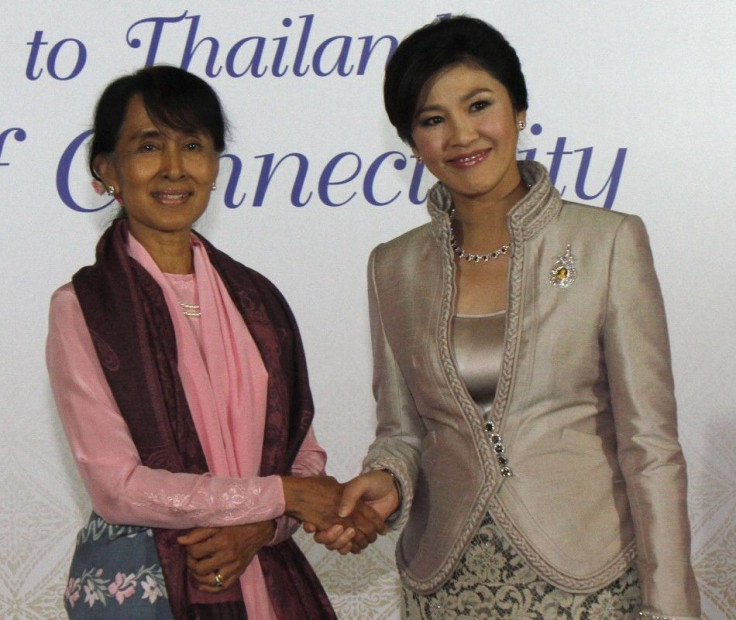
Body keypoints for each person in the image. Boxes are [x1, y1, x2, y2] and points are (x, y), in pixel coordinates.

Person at [312, 15, 702, 619]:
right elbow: (403, 430)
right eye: (433, 119)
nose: (462, 135)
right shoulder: (392, 267)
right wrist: (387, 479)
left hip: (588, 581)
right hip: (446, 582)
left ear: (519, 110)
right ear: (412, 141)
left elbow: (650, 447)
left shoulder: (609, 243)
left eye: (479, 105)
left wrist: (672, 608)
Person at [46, 65, 382, 619]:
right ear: (107, 169)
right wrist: (282, 498)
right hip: (147, 587)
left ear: (215, 165)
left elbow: (301, 453)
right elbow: (118, 487)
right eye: (148, 145)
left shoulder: (258, 301)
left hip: (263, 575)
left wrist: (262, 525)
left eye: (193, 145)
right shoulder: (83, 308)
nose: (174, 168)